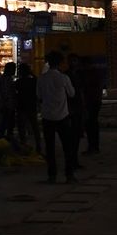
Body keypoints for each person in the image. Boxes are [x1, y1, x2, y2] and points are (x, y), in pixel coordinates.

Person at [37, 50, 77, 184]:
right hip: (62, 115)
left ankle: (52, 176)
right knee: (67, 147)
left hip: (47, 116)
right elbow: (72, 94)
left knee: (50, 148)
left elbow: (39, 96)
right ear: (60, 63)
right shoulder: (63, 78)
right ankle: (69, 175)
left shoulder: (42, 78)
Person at [64, 54, 86, 166]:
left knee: (76, 136)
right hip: (71, 109)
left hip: (77, 107)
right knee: (72, 136)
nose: (74, 63)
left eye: (76, 61)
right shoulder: (67, 75)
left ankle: (74, 159)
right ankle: (72, 160)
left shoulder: (78, 75)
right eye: (72, 61)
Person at [15, 62, 42, 153]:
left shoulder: (18, 82)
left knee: (22, 127)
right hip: (31, 106)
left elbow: (15, 92)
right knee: (35, 126)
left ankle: (24, 144)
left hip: (21, 106)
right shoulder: (33, 81)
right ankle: (38, 145)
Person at [81, 56, 104, 155]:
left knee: (91, 124)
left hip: (91, 102)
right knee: (92, 124)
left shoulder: (90, 74)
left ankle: (93, 147)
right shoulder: (94, 73)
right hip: (94, 101)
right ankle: (94, 147)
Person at [0, 62, 17, 143]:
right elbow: (5, 93)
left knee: (7, 122)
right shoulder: (7, 79)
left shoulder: (5, 78)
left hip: (8, 104)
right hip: (8, 104)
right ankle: (3, 138)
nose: (14, 70)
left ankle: (4, 138)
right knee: (7, 122)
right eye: (14, 69)